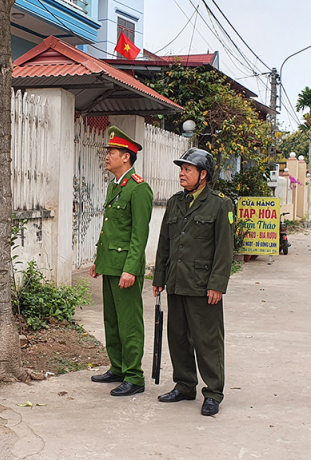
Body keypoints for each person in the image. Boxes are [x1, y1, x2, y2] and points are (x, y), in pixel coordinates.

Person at [152, 147, 234, 416]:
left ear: (203, 174)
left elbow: (224, 248)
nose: (182, 174)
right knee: (177, 337)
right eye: (181, 169)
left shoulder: (219, 204)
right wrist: (159, 277)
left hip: (202, 285)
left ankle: (213, 392)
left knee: (207, 340)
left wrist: (217, 284)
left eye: (187, 169)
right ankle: (185, 385)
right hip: (176, 280)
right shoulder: (175, 202)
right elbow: (164, 242)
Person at [89, 126, 153, 397]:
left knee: (129, 323)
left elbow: (139, 234)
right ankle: (117, 367)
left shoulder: (139, 189)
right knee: (112, 320)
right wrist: (99, 259)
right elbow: (110, 228)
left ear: (126, 157)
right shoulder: (116, 186)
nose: (107, 156)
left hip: (126, 267)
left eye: (112, 152)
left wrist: (131, 269)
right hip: (110, 264)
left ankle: (134, 376)